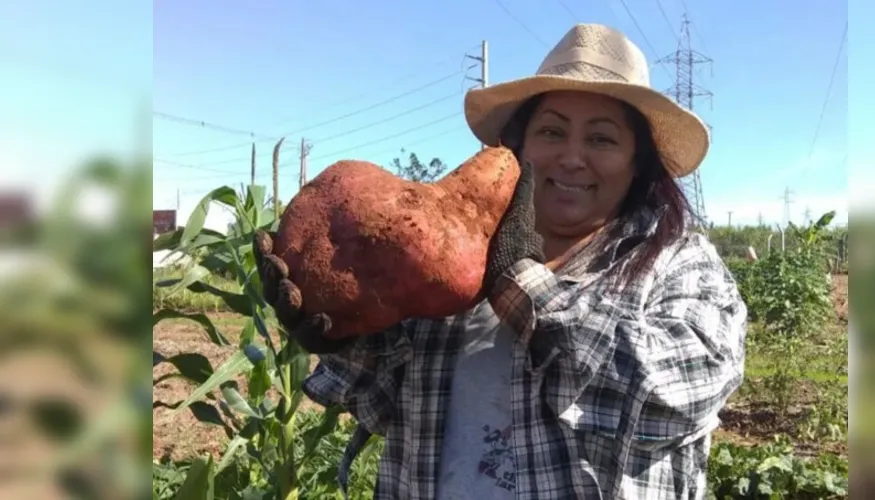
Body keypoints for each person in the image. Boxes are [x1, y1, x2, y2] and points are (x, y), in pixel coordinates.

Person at [253, 23, 747, 500]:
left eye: (602, 139)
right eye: (551, 132)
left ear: (638, 163)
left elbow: (669, 402)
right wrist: (346, 335)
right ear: (519, 146)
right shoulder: (446, 268)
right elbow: (383, 405)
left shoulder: (680, 264)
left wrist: (519, 281)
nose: (572, 158)